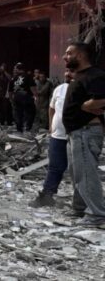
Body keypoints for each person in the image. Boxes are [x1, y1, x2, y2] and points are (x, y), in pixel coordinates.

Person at [62, 42, 105, 226]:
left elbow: (101, 98)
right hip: (76, 132)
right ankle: (79, 208)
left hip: (85, 131)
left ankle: (97, 214)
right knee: (77, 172)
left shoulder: (95, 75)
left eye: (69, 53)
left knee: (86, 173)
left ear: (80, 55)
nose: (65, 57)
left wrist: (88, 106)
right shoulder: (81, 76)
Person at [30, 69, 73, 208]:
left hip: (76, 136)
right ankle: (47, 195)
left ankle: (82, 203)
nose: (67, 74)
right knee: (55, 166)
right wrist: (51, 125)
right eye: (66, 71)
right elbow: (51, 108)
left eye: (71, 71)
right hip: (58, 135)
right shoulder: (59, 89)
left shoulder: (85, 89)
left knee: (78, 169)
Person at [9, 62, 37, 134]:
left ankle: (19, 129)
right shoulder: (28, 76)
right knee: (31, 112)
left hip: (16, 98)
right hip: (26, 97)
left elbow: (10, 91)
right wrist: (36, 96)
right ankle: (28, 128)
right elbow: (32, 88)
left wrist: (11, 100)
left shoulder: (13, 78)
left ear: (18, 69)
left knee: (18, 114)